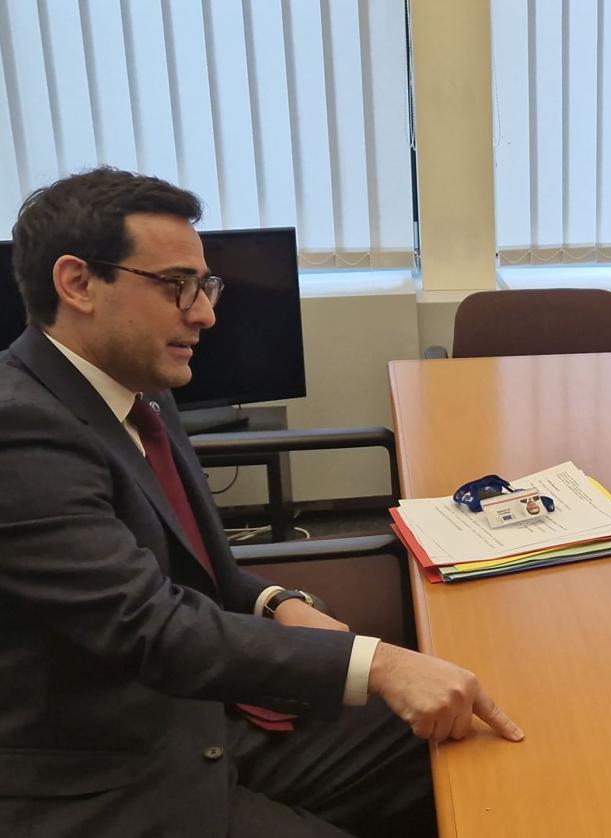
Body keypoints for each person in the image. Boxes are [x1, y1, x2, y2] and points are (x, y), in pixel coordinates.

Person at [0, 167, 523, 837]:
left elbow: (197, 575)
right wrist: (381, 663)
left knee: (473, 730)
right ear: (77, 284)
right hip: (110, 776)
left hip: (204, 717)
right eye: (175, 285)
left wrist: (278, 603)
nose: (206, 313)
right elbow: (149, 627)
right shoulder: (22, 431)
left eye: (205, 284)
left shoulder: (142, 392)